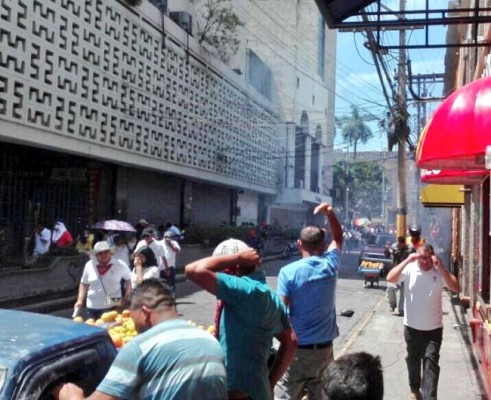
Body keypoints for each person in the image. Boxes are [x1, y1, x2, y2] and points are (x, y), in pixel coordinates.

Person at [55, 279, 227, 400]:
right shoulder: (209, 340)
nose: (132, 321)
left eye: (132, 314)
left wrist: (71, 396)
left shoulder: (141, 347)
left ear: (144, 312)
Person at [185, 239, 297, 400]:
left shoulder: (242, 290)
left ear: (233, 269)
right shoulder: (270, 295)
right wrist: (270, 382)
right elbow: (291, 341)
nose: (217, 274)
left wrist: (237, 257)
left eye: (219, 269)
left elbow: (193, 270)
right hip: (258, 390)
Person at [275, 202, 343, 400]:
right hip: (323, 351)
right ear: (322, 245)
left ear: (299, 244)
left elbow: (280, 311)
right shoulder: (330, 265)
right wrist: (329, 212)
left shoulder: (288, 273)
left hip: (296, 352)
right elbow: (338, 237)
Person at [386, 243, 459, 400]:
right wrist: (407, 260)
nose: (424, 262)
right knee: (413, 359)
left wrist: (442, 267)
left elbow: (455, 287)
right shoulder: (410, 269)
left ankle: (430, 397)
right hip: (411, 327)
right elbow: (390, 278)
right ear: (416, 257)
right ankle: (414, 389)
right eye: (421, 258)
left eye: (427, 258)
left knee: (431, 364)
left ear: (433, 257)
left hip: (433, 329)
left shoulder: (439, 272)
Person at [74, 241, 132, 320]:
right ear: (95, 255)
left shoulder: (119, 264)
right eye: (100, 253)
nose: (103, 255)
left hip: (113, 304)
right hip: (93, 305)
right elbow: (84, 283)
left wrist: (126, 297)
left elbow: (129, 279)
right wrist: (79, 300)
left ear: (110, 252)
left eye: (106, 252)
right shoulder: (89, 265)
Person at [385, 236, 413, 315]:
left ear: (405, 243)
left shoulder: (410, 249)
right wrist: (387, 249)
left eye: (402, 244)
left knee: (403, 294)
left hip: (406, 273)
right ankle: (392, 305)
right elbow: (387, 254)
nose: (400, 246)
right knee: (390, 288)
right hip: (396, 273)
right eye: (399, 243)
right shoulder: (393, 247)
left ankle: (401, 309)